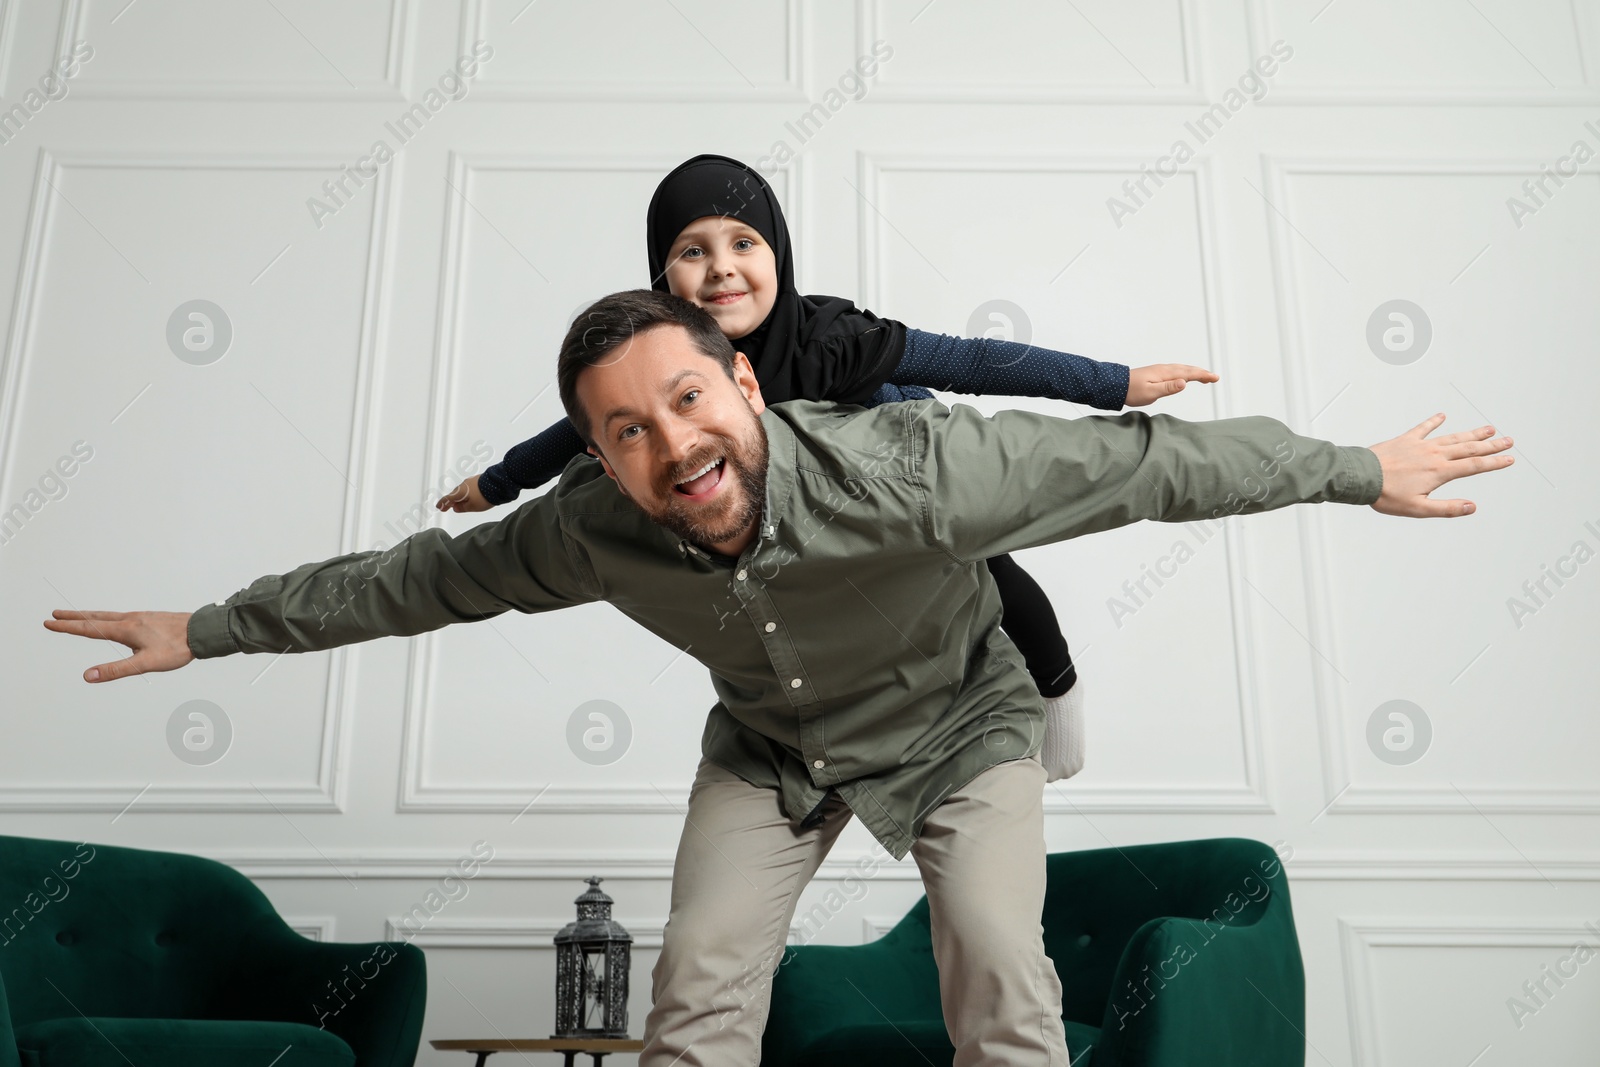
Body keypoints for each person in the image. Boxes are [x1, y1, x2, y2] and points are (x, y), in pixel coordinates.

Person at [46, 289, 1512, 1066]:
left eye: (687, 398)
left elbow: (1153, 464)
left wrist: (1354, 468)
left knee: (999, 959)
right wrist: (212, 625)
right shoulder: (589, 532)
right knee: (694, 982)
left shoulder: (922, 469)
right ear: (596, 453)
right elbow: (408, 581)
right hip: (773, 750)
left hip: (961, 726)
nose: (669, 444)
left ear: (745, 384)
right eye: (623, 429)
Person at [435, 153, 1221, 783]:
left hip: (904, 460)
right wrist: (498, 482)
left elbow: (973, 360)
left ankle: (1056, 692)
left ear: (777, 254)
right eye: (691, 251)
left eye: (744, 244)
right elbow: (583, 429)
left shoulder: (831, 339)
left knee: (991, 569)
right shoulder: (667, 360)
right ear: (660, 277)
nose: (721, 269)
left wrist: (1116, 383)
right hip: (818, 519)